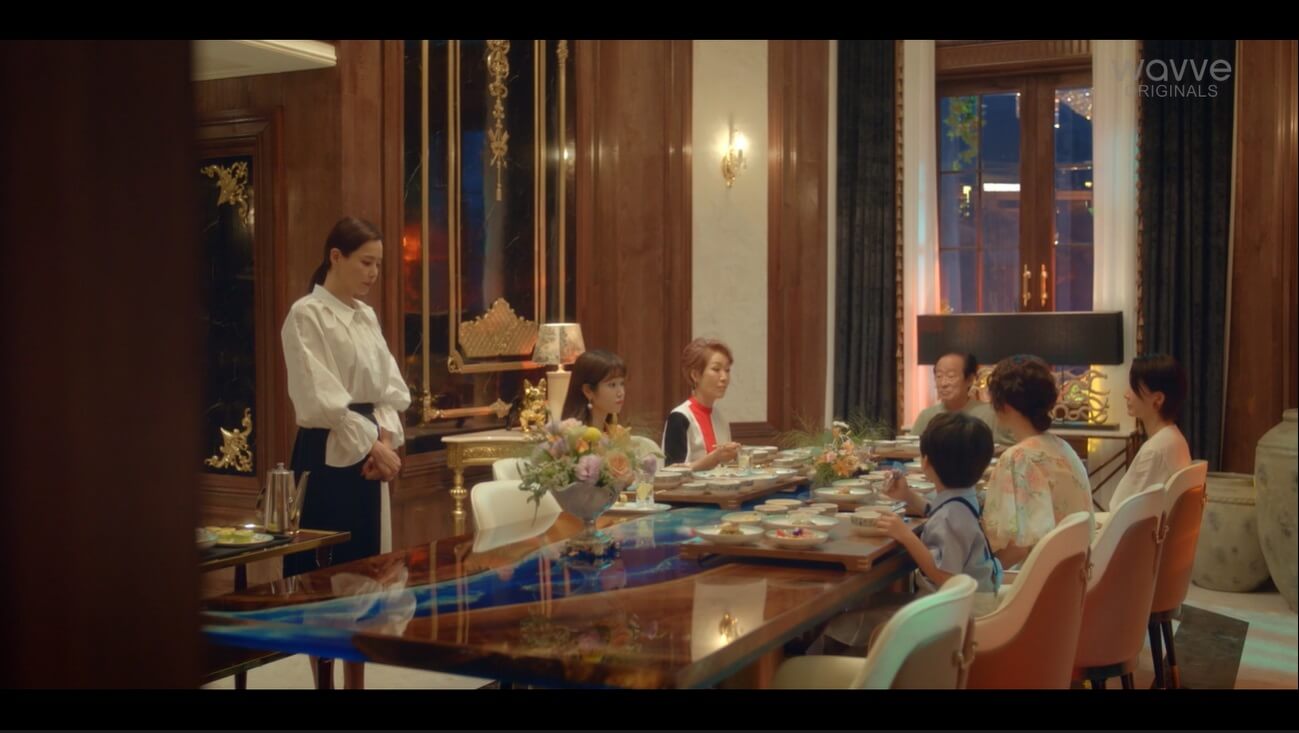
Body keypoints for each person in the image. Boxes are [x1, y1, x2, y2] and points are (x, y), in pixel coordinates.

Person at [281, 216, 411, 578]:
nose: (373, 273)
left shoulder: (366, 315)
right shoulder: (307, 314)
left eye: (378, 265)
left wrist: (386, 444)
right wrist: (374, 445)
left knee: (372, 563)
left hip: (372, 451)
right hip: (328, 450)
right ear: (336, 257)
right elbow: (319, 396)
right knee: (331, 570)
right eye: (366, 262)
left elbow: (389, 387)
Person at [819, 412, 1002, 652]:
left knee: (844, 624)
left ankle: (832, 665)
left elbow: (945, 576)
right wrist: (908, 496)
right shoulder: (964, 497)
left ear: (926, 463)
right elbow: (939, 511)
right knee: (871, 606)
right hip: (967, 603)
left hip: (954, 615)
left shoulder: (951, 517)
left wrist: (905, 535)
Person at [981, 355, 1093, 569]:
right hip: (1074, 572)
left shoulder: (1018, 458)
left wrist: (980, 577)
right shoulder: (1062, 447)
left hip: (1039, 578)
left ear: (1005, 405)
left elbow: (1017, 548)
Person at [1104, 354, 1192, 512]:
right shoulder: (1176, 439)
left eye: (1133, 388)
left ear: (1158, 399)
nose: (1126, 394)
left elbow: (1120, 512)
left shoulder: (1154, 451)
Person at [662, 338, 741, 470]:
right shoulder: (679, 417)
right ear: (695, 375)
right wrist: (715, 458)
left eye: (727, 370)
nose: (724, 377)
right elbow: (672, 472)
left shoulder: (720, 418)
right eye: (716, 369)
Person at [910, 352, 1014, 445]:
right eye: (939, 376)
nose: (943, 383)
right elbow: (910, 448)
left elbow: (1013, 448)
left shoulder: (991, 414)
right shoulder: (927, 416)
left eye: (951, 376)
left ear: (970, 380)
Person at [560, 349, 627, 431]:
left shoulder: (616, 432)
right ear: (588, 391)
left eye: (622, 383)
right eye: (612, 385)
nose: (621, 393)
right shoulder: (572, 433)